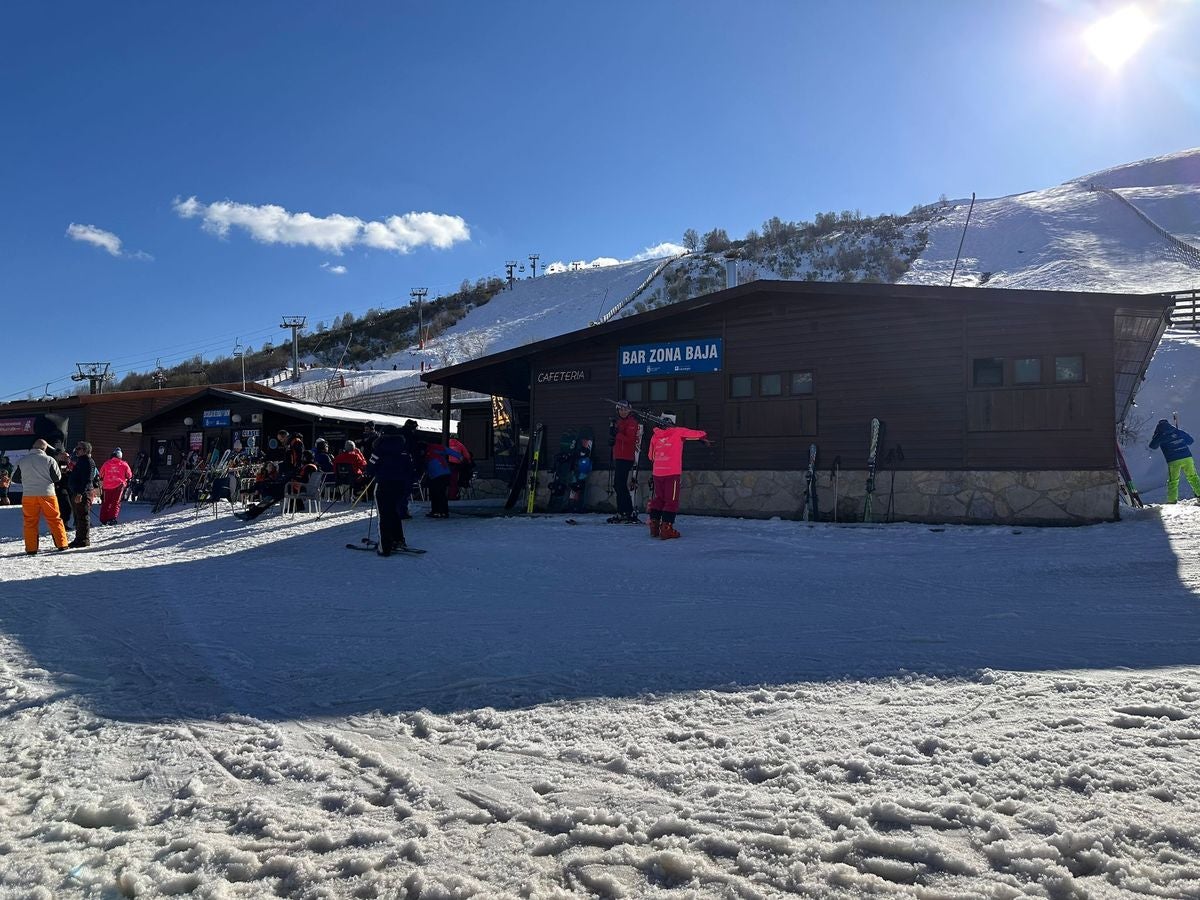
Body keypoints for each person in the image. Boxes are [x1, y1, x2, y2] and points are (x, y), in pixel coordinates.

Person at [646, 413, 709, 540]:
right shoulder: (679, 432)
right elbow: (698, 434)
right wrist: (704, 435)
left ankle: (654, 526)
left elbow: (651, 456)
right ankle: (666, 529)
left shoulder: (655, 436)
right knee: (671, 501)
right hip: (672, 473)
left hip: (657, 472)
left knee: (658, 499)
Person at [13, 438, 70, 554]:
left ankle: (31, 548)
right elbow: (57, 478)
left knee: (30, 521)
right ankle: (62, 544)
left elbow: (15, 478)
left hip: (29, 494)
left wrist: (27, 480)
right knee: (55, 519)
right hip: (48, 494)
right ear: (44, 449)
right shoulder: (50, 460)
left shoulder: (22, 460)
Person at [366, 424, 415, 555]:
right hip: (400, 485)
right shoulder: (404, 450)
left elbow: (370, 468)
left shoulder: (379, 449)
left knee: (384, 515)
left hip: (384, 484)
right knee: (395, 512)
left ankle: (385, 547)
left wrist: (370, 473)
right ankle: (398, 540)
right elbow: (410, 469)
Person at [1149, 418, 1200, 503]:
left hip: (1174, 460)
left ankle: (1172, 500)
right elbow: (1190, 441)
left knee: (1173, 480)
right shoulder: (1177, 431)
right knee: (1193, 477)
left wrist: (1157, 436)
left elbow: (1152, 446)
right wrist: (1179, 438)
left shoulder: (1160, 435)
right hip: (1187, 457)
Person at [607, 400, 642, 524]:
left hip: (626, 458)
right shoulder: (619, 422)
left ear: (630, 410)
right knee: (618, 485)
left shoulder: (632, 422)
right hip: (619, 456)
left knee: (619, 484)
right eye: (621, 409)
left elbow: (630, 439)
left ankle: (626, 511)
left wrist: (617, 435)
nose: (623, 412)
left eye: (625, 409)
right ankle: (623, 511)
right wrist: (612, 440)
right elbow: (618, 438)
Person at [67, 441, 97, 548]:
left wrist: (80, 493)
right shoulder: (81, 461)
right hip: (77, 491)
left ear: (85, 450)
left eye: (79, 449)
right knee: (78, 517)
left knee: (82, 516)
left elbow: (87, 479)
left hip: (83, 493)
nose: (76, 450)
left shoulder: (88, 462)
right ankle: (78, 538)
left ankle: (83, 540)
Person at [424, 440, 462, 518]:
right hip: (443, 473)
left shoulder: (430, 450)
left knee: (436, 493)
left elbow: (446, 450)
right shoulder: (435, 449)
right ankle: (442, 511)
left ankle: (437, 511)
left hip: (437, 474)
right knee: (440, 493)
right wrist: (459, 456)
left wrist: (459, 456)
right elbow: (447, 450)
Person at [99, 448, 133, 525]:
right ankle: (112, 519)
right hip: (119, 486)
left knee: (106, 503)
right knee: (115, 503)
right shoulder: (124, 464)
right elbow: (129, 475)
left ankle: (103, 519)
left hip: (107, 486)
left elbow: (101, 474)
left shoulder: (106, 463)